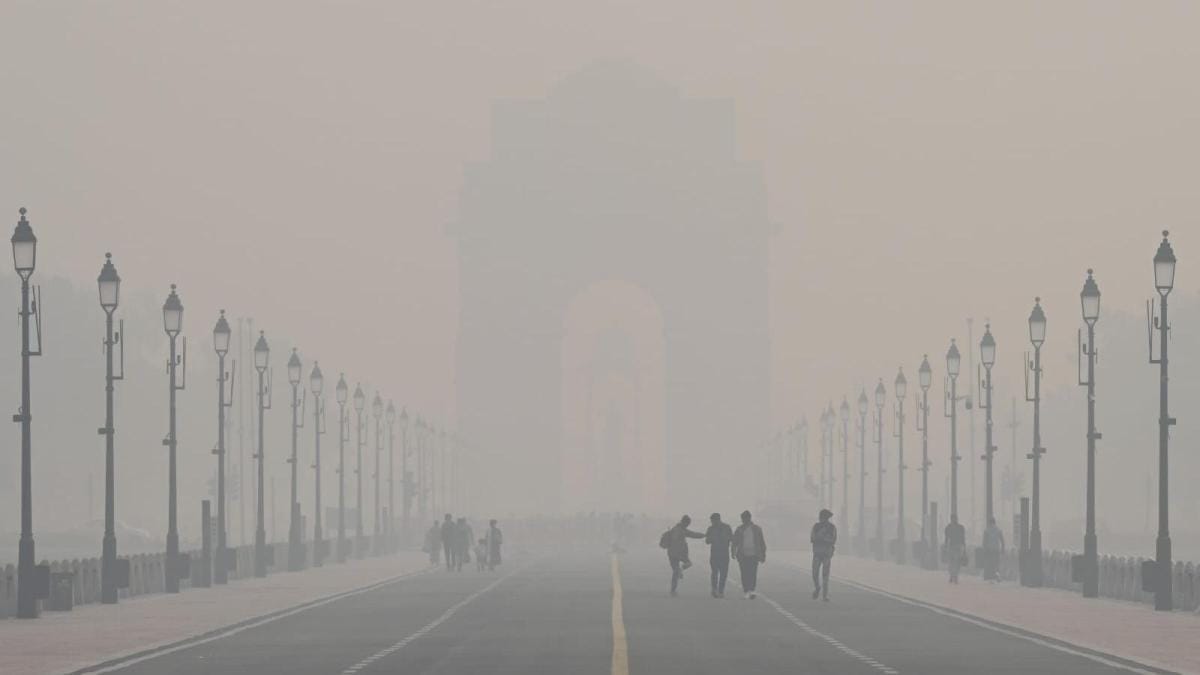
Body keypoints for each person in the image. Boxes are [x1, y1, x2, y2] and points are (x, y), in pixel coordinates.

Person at [663, 515, 705, 596]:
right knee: (686, 565)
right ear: (685, 522)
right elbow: (693, 534)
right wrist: (703, 535)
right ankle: (680, 571)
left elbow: (692, 534)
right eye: (688, 523)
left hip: (672, 553)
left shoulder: (675, 529)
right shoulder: (681, 530)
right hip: (679, 553)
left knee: (675, 572)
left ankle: (673, 589)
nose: (688, 525)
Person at [731, 510, 766, 599]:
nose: (743, 520)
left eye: (745, 518)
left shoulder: (757, 529)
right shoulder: (739, 529)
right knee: (744, 573)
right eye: (742, 518)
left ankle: (752, 590)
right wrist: (733, 552)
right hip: (742, 555)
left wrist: (763, 555)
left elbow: (762, 543)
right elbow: (734, 542)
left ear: (749, 518)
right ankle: (746, 590)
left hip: (754, 554)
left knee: (753, 573)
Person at [704, 513, 734, 598]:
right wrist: (712, 538)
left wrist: (726, 539)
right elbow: (707, 541)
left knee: (723, 573)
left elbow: (732, 538)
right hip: (715, 553)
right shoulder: (711, 528)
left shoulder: (727, 527)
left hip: (724, 553)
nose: (712, 522)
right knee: (715, 572)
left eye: (713, 521)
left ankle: (720, 590)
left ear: (717, 519)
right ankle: (714, 589)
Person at [810, 509, 837, 601]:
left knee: (825, 575)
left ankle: (825, 596)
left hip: (826, 554)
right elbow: (812, 538)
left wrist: (822, 538)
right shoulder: (816, 526)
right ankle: (817, 587)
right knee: (814, 573)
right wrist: (823, 537)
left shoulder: (832, 527)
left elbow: (833, 540)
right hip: (817, 553)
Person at [943, 514, 966, 583]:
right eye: (953, 518)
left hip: (956, 546)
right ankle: (953, 576)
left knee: (955, 562)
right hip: (953, 546)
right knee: (953, 562)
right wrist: (945, 546)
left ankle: (954, 576)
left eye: (955, 518)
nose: (954, 520)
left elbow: (963, 538)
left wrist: (964, 548)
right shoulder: (952, 527)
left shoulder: (950, 527)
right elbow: (946, 539)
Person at [982, 517, 1005, 582]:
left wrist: (984, 549)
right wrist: (1003, 549)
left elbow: (984, 541)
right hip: (996, 550)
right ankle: (997, 577)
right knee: (996, 564)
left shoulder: (986, 530)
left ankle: (988, 577)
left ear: (989, 522)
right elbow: (1002, 540)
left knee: (989, 564)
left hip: (989, 550)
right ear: (995, 522)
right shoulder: (998, 530)